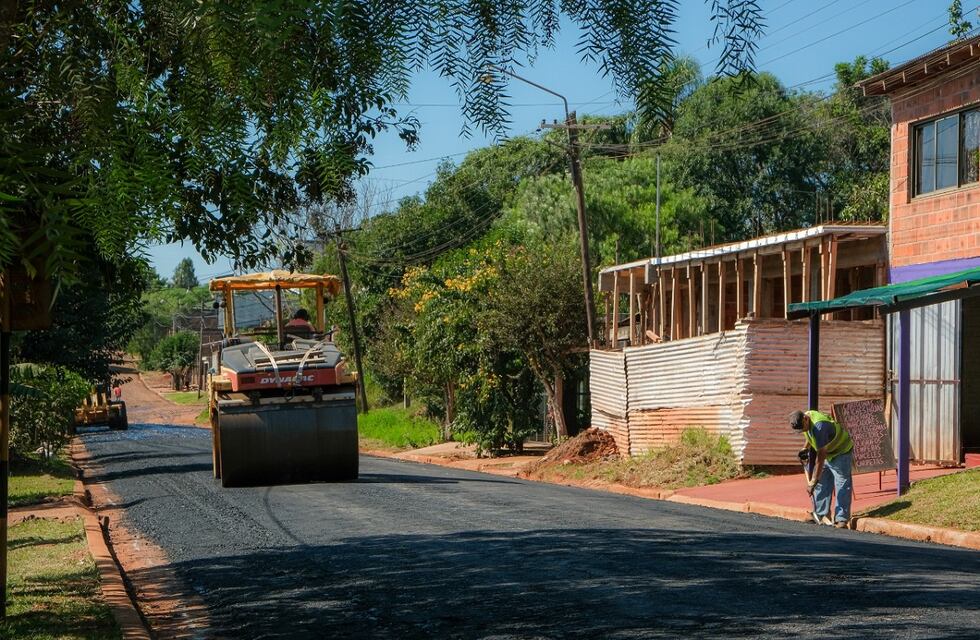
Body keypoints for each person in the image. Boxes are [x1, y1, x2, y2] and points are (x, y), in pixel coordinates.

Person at [790, 409, 854, 528]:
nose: (803, 430)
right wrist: (805, 448)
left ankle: (842, 519)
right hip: (828, 452)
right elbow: (810, 435)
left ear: (805, 419)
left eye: (802, 427)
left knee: (842, 484)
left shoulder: (820, 426)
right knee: (822, 483)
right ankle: (821, 514)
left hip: (841, 451)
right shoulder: (807, 419)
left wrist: (813, 482)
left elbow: (820, 458)